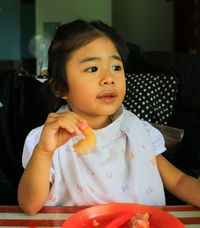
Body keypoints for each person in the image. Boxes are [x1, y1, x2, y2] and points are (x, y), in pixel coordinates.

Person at [18, 20, 200, 215]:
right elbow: (30, 206)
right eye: (93, 69)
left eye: (116, 67)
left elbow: (178, 181)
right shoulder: (47, 141)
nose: (109, 78)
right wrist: (44, 152)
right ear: (60, 87)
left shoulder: (139, 129)